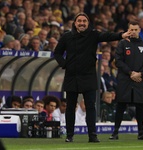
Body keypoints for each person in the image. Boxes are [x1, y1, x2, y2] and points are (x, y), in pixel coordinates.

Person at [54, 12, 131, 143]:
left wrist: (121, 35)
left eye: (84, 21)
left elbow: (107, 35)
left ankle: (92, 135)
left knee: (91, 106)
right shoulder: (67, 36)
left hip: (89, 75)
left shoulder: (93, 34)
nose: (82, 23)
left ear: (88, 23)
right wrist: (65, 64)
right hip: (72, 76)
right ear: (75, 23)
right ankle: (69, 135)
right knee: (70, 107)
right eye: (79, 21)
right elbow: (57, 52)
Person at [109, 21, 143, 140]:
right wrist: (131, 73)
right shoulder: (122, 44)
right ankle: (115, 133)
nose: (133, 32)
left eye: (135, 30)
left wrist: (141, 73)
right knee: (121, 105)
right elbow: (118, 61)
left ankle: (141, 133)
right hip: (125, 79)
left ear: (139, 30)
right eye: (131, 30)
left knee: (140, 106)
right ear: (128, 30)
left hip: (140, 80)